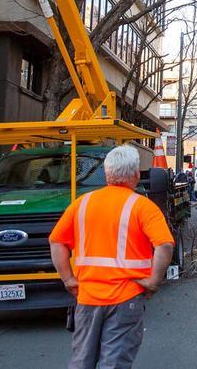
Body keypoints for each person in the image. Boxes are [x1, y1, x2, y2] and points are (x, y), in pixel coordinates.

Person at [49, 146, 175, 369]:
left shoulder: (82, 204)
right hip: (126, 297)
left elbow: (57, 241)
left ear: (107, 174)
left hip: (87, 297)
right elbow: (164, 245)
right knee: (114, 362)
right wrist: (154, 281)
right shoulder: (143, 207)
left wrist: (68, 279)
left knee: (81, 361)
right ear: (136, 174)